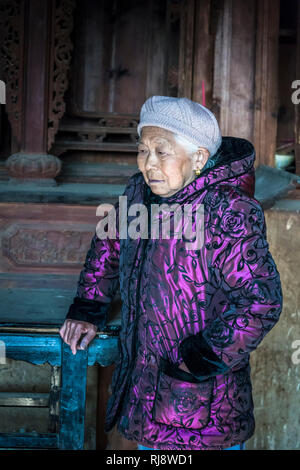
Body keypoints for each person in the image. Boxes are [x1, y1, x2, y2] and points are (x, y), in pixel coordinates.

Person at [59, 96, 283, 450]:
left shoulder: (227, 209)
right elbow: (108, 248)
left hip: (202, 404)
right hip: (145, 391)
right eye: (142, 150)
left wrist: (202, 356)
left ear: (198, 158)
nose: (149, 164)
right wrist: (88, 308)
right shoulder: (139, 193)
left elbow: (260, 301)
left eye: (161, 152)